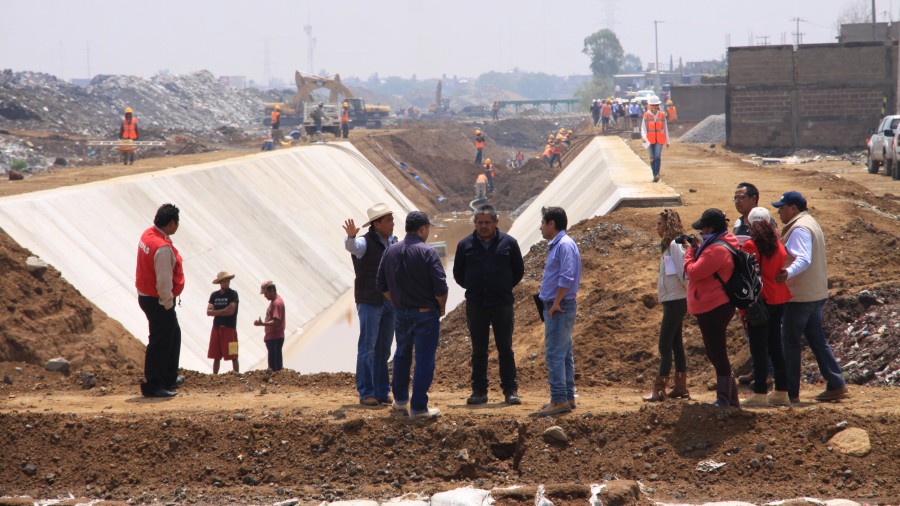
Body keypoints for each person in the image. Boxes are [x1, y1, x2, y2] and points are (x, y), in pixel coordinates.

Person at [772, 191, 849, 403]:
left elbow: (803, 259)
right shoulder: (810, 222)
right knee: (817, 340)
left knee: (790, 342)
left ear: (794, 209)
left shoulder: (799, 229)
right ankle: (836, 384)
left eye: (782, 207)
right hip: (815, 293)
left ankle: (790, 392)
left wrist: (787, 273)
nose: (779, 211)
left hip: (800, 296)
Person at [375, 211, 448, 418]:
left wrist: (397, 302)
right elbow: (441, 288)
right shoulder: (428, 252)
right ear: (423, 229)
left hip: (401, 313)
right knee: (424, 358)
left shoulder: (390, 251)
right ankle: (418, 407)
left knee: (401, 355)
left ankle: (399, 402)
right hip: (425, 313)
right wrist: (440, 307)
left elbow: (381, 285)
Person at [453, 205, 525, 406]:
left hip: (502, 304)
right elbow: (458, 274)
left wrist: (501, 286)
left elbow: (518, 271)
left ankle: (510, 391)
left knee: (505, 348)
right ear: (474, 223)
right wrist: (475, 287)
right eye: (479, 223)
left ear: (496, 222)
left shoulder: (509, 243)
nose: (483, 226)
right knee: (478, 350)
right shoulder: (464, 245)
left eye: (487, 222)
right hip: (477, 304)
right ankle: (479, 391)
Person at [683, 209, 740, 408]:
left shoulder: (716, 249)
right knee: (714, 351)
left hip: (714, 306)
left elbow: (694, 271)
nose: (700, 232)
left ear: (711, 228)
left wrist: (689, 252)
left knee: (717, 351)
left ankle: (725, 399)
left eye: (703, 228)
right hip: (713, 305)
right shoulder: (718, 243)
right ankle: (731, 398)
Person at [344, 203, 397, 407]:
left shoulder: (392, 241)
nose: (392, 224)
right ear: (377, 224)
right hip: (370, 302)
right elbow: (352, 247)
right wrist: (350, 236)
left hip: (389, 302)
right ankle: (366, 392)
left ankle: (382, 391)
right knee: (367, 348)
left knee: (383, 350)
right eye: (389, 221)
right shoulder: (364, 243)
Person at [740, 208, 791, 407]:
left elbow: (748, 276)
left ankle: (760, 392)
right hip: (779, 298)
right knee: (776, 346)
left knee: (758, 348)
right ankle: (781, 391)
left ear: (751, 224)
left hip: (761, 300)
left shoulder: (751, 245)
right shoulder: (778, 245)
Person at [534, 207, 582, 416]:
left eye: (543, 223)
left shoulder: (563, 245)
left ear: (551, 223)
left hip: (559, 307)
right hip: (559, 305)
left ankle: (559, 400)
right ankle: (567, 396)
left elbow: (567, 276)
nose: (540, 228)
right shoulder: (560, 244)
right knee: (563, 354)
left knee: (554, 353)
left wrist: (556, 303)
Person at [135, 203, 183, 398]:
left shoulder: (148, 235)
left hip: (146, 295)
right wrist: (168, 303)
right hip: (157, 300)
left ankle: (169, 377)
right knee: (160, 341)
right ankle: (154, 384)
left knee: (173, 334)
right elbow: (163, 281)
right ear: (171, 223)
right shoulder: (162, 248)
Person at [643, 209, 690, 402]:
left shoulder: (675, 246)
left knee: (664, 344)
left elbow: (684, 274)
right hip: (672, 299)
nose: (657, 228)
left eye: (660, 224)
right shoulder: (668, 246)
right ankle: (681, 387)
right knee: (675, 344)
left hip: (676, 300)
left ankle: (659, 389)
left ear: (668, 224)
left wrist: (685, 294)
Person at [732, 181, 774, 387]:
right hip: (744, 287)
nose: (737, 201)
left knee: (762, 330)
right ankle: (759, 369)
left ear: (754, 199)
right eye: (735, 198)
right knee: (750, 329)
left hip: (761, 287)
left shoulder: (766, 224)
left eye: (741, 197)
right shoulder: (738, 224)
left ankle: (766, 373)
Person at [207, 271, 240, 374]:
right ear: (220, 283)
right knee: (216, 355)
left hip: (229, 328)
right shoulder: (214, 295)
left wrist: (216, 312)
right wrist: (223, 311)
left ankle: (237, 375)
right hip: (216, 328)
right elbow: (208, 312)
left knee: (233, 355)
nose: (227, 283)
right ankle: (215, 376)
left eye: (228, 281)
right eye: (224, 281)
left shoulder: (233, 294)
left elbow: (231, 311)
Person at [254, 280, 286, 371]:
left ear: (272, 291)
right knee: (273, 363)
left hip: (275, 337)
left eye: (266, 293)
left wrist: (262, 324)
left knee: (275, 366)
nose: (265, 296)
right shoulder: (274, 302)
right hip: (272, 337)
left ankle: (276, 382)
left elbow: (276, 321)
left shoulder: (277, 303)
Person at [641, 96, 669, 183]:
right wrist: (644, 137)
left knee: (657, 156)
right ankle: (654, 174)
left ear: (658, 105)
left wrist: (668, 141)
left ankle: (657, 173)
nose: (654, 106)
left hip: (659, 140)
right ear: (650, 105)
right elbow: (643, 128)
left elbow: (665, 128)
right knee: (652, 157)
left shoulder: (662, 115)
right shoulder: (646, 115)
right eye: (652, 105)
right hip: (649, 140)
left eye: (656, 105)